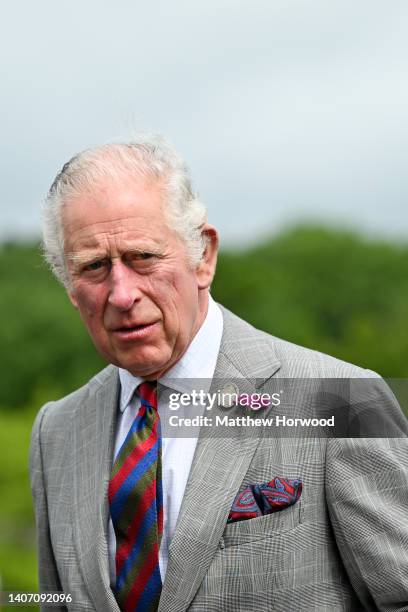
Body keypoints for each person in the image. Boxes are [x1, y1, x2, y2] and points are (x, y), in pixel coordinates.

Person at [30, 135, 408, 612]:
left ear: (203, 256)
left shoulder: (341, 401)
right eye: (94, 267)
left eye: (142, 257)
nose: (121, 293)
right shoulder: (56, 431)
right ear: (69, 285)